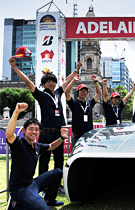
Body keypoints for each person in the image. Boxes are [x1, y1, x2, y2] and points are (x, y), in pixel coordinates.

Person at [8, 57, 81, 194]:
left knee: (59, 162)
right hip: (46, 132)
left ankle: (56, 187)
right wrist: (15, 67)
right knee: (43, 163)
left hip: (60, 133)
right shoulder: (41, 95)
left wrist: (76, 69)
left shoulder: (59, 93)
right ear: (44, 84)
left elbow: (66, 82)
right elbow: (28, 82)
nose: (51, 83)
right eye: (48, 81)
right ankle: (41, 189)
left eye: (53, 81)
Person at [6, 103, 68, 208]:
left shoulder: (37, 146)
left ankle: (49, 199)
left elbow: (52, 146)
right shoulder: (18, 144)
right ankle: (16, 204)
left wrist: (62, 138)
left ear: (39, 132)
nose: (34, 132)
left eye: (36, 129)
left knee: (58, 172)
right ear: (24, 131)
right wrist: (16, 112)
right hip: (20, 189)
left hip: (33, 183)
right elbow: (9, 134)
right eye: (31, 129)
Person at [64, 74, 102, 150]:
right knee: (75, 153)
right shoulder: (74, 103)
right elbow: (66, 92)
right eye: (81, 91)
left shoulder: (89, 103)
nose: (83, 92)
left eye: (85, 91)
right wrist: (74, 80)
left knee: (88, 153)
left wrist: (96, 82)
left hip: (89, 133)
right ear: (78, 92)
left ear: (87, 93)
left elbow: (99, 93)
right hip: (77, 134)